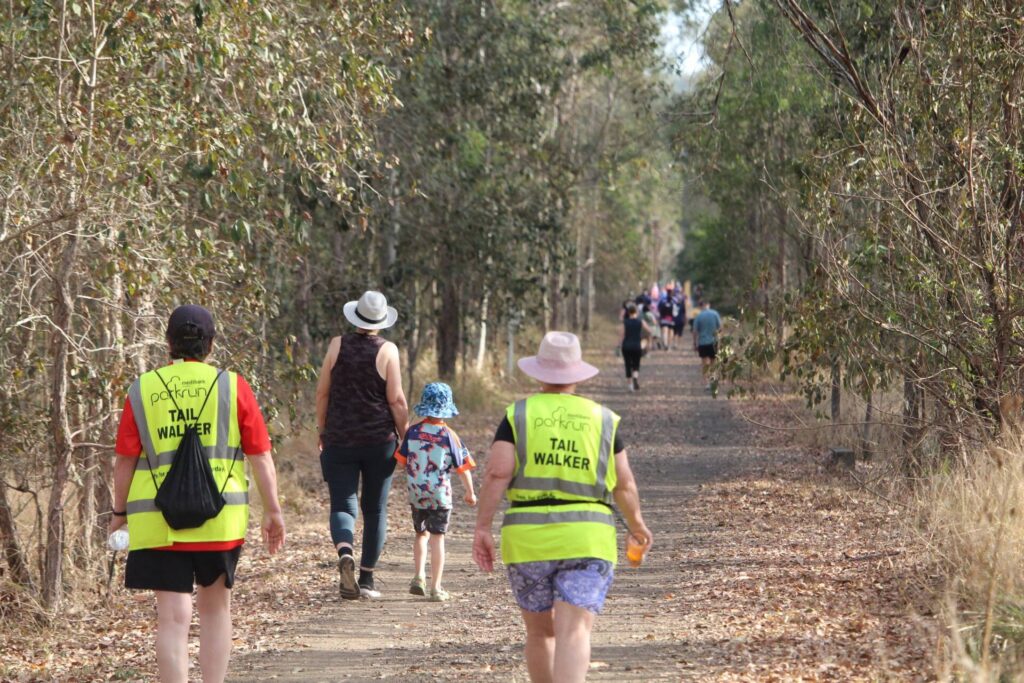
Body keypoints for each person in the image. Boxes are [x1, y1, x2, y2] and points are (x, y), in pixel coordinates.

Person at [110, 304, 285, 683]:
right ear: (211, 344)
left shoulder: (143, 389)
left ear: (168, 343)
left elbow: (125, 460)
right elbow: (260, 455)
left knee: (172, 619)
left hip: (157, 522)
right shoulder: (232, 386)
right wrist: (273, 510)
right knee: (215, 611)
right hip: (219, 520)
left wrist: (119, 513)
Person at [473, 331, 653, 683]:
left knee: (541, 633)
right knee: (575, 632)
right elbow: (624, 483)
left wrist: (483, 527)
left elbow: (497, 473)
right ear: (577, 373)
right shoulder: (603, 419)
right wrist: (637, 526)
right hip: (588, 539)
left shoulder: (518, 415)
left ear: (539, 372)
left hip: (528, 540)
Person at [315, 290, 409, 599]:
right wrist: (405, 434)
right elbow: (396, 400)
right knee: (375, 508)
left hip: (339, 438)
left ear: (356, 316)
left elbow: (323, 393)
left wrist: (322, 429)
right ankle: (366, 579)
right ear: (382, 320)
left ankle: (345, 551)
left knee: (343, 504)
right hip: (379, 442)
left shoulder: (336, 345)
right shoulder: (388, 350)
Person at [395, 382, 477, 601]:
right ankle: (436, 588)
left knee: (421, 534)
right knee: (438, 538)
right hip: (440, 495)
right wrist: (470, 492)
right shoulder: (449, 435)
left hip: (416, 494)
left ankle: (418, 576)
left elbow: (401, 463)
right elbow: (463, 468)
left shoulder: (413, 432)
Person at [619, 302, 655, 391]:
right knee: (636, 364)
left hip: (626, 346)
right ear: (637, 312)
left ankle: (630, 385)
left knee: (627, 364)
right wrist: (646, 339)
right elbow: (649, 331)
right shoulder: (640, 321)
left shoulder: (625, 322)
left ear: (628, 313)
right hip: (636, 345)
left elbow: (622, 335)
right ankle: (635, 377)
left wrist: (619, 345)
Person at [692, 299, 723, 390]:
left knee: (705, 364)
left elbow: (695, 331)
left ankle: (706, 383)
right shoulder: (715, 314)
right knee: (714, 363)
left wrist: (695, 343)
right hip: (714, 342)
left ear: (701, 306)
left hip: (703, 342)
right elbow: (720, 328)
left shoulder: (699, 316)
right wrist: (720, 339)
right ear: (708, 304)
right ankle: (713, 381)